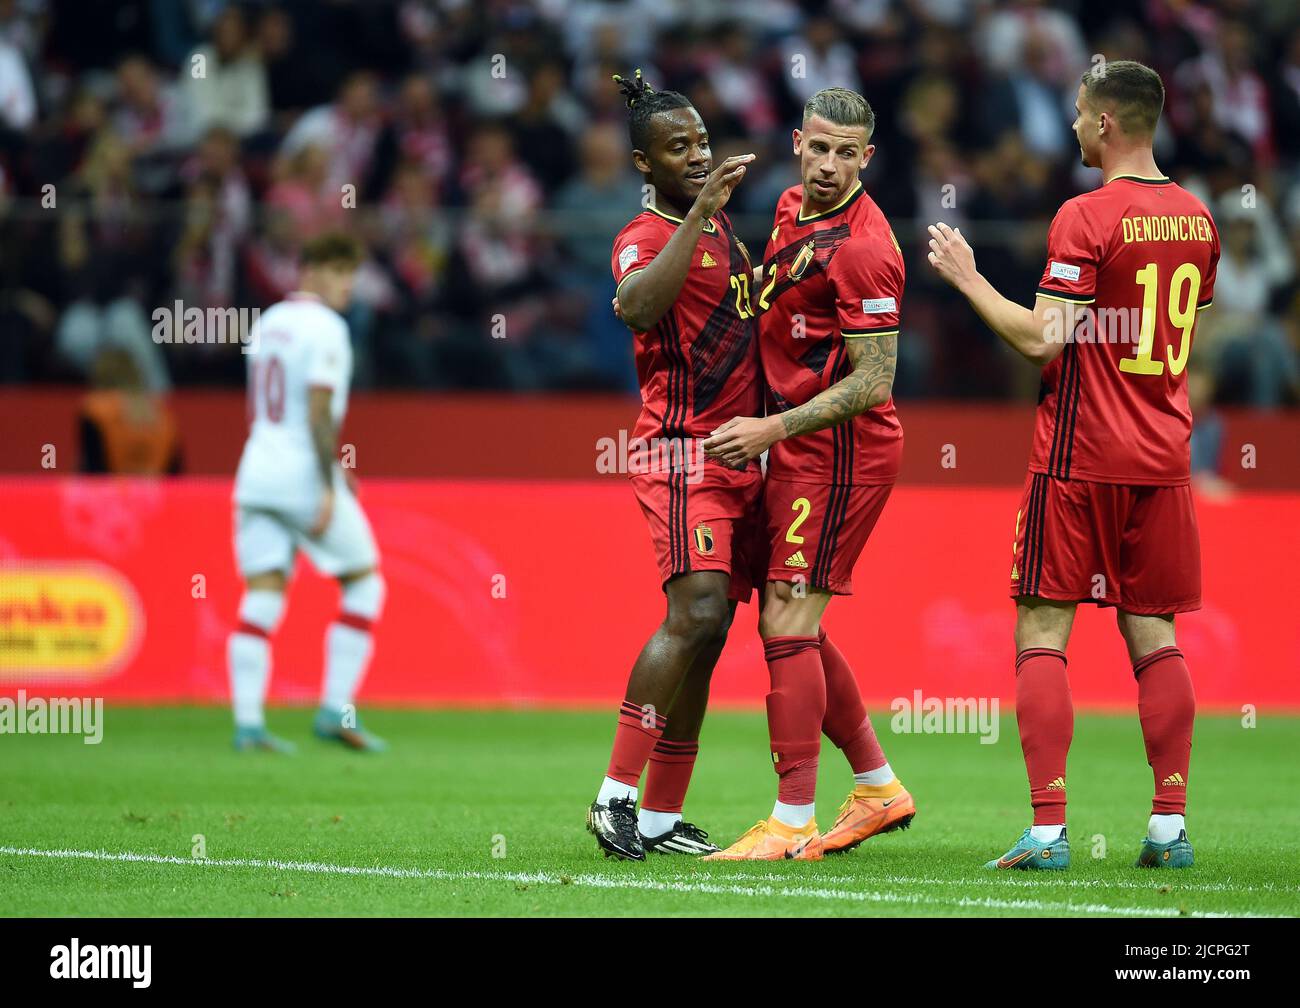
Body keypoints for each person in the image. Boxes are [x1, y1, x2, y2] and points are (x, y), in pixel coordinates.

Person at [926, 60, 1218, 870]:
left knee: (1043, 629)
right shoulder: (1199, 219)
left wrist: (969, 279)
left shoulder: (1086, 215)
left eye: (1083, 115)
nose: (1077, 127)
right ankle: (1168, 827)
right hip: (1163, 457)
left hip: (1080, 452)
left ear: (1108, 125)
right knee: (1153, 633)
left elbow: (1041, 339)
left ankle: (1050, 830)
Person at [701, 88, 914, 861]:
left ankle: (792, 821)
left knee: (786, 619)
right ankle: (879, 787)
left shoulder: (866, 247)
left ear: (868, 157)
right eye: (818, 148)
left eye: (845, 153)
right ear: (798, 142)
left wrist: (772, 426)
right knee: (797, 620)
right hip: (793, 442)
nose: (827, 165)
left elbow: (875, 381)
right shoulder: (791, 207)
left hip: (841, 450)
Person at [586, 71, 762, 860]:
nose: (696, 155)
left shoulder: (726, 234)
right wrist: (697, 213)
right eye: (677, 147)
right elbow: (635, 306)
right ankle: (613, 799)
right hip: (680, 449)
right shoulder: (646, 234)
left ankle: (660, 813)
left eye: (700, 141)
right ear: (643, 164)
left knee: (714, 627)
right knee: (691, 615)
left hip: (736, 449)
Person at [228, 233, 387, 753]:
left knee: (263, 594)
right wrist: (326, 483)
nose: (349, 287)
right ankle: (334, 712)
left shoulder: (270, 322)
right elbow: (318, 413)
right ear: (316, 269)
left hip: (256, 470)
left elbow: (265, 407)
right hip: (300, 476)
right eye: (343, 274)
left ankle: (248, 726)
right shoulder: (327, 329)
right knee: (364, 583)